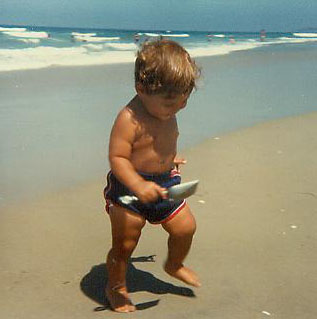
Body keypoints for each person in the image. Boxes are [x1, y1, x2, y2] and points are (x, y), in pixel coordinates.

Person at [103, 39, 201, 313]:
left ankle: (174, 264)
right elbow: (118, 157)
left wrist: (169, 159)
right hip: (128, 187)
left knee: (185, 227)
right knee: (125, 242)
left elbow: (160, 141)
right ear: (141, 89)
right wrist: (137, 183)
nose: (179, 108)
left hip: (165, 182)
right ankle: (116, 287)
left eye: (184, 101)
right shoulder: (129, 118)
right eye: (172, 104)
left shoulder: (166, 107)